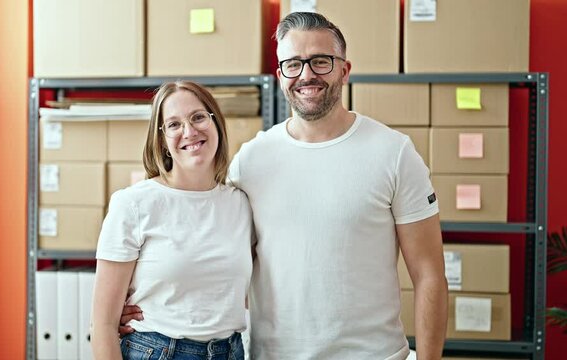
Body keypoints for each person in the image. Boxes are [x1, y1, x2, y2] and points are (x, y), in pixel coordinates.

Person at [121, 12, 448, 360]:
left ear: (344, 69)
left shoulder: (394, 153)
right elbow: (209, 254)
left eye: (321, 61)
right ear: (280, 77)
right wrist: (141, 302)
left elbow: (429, 275)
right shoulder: (250, 161)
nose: (306, 74)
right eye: (293, 64)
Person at [91, 81, 252, 360]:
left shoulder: (239, 203)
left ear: (216, 123)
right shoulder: (133, 204)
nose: (189, 132)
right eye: (174, 124)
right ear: (162, 139)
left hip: (231, 351)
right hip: (159, 351)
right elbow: (103, 325)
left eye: (198, 117)